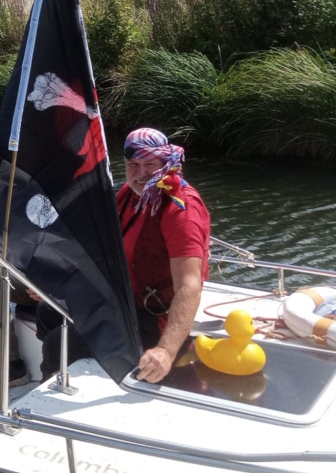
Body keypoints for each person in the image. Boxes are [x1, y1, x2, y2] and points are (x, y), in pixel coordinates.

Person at [36, 128, 210, 384]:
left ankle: (54, 385)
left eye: (150, 164)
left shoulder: (180, 210)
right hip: (124, 300)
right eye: (133, 165)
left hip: (153, 318)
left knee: (57, 343)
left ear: (166, 163)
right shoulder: (131, 194)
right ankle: (75, 374)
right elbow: (103, 247)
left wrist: (166, 350)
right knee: (46, 310)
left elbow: (189, 286)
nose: (140, 174)